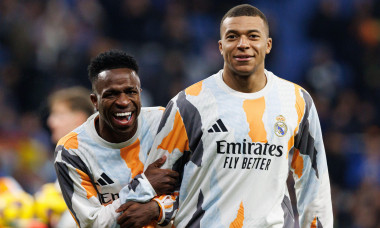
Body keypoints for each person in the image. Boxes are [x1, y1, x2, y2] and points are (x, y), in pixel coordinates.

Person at [118, 4, 333, 228]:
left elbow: (314, 188)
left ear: (268, 45)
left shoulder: (297, 101)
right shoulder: (189, 104)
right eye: (233, 37)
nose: (243, 44)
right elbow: (155, 189)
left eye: (253, 36)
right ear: (221, 47)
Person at [54, 50, 178, 227]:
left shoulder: (165, 124)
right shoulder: (72, 150)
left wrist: (156, 209)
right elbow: (92, 224)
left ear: (140, 93)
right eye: (111, 94)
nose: (123, 101)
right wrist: (145, 186)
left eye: (130, 92)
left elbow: (197, 192)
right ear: (94, 101)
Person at [34, 86, 94, 227]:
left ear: (79, 118)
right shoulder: (67, 158)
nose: (51, 122)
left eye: (59, 115)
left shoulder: (94, 160)